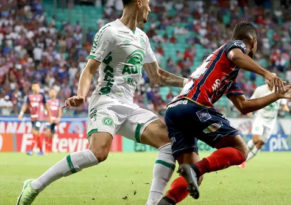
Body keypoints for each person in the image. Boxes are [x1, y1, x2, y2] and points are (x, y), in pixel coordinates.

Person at [17, 0, 186, 205]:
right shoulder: (110, 32)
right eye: (149, 4)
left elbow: (157, 76)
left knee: (169, 140)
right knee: (98, 153)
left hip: (128, 106)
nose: (150, 9)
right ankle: (34, 186)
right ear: (139, 3)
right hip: (105, 101)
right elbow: (89, 69)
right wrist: (81, 94)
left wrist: (190, 83)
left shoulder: (142, 38)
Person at [158, 22, 291, 204]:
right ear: (253, 41)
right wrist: (265, 73)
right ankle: (195, 170)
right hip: (194, 106)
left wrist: (276, 95)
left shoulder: (226, 72)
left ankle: (168, 200)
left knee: (194, 177)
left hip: (174, 111)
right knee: (240, 150)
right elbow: (235, 55)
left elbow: (244, 106)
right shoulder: (236, 45)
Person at [240, 81, 290, 168]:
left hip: (271, 121)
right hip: (260, 118)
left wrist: (286, 108)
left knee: (260, 144)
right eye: (270, 79)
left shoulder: (280, 90)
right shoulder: (260, 90)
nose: (272, 81)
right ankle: (241, 156)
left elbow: (284, 104)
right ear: (267, 80)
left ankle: (243, 162)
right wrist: (249, 110)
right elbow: (251, 100)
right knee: (256, 140)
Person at [18, 83, 52, 155]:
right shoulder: (29, 97)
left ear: (39, 88)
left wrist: (49, 116)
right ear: (32, 88)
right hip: (33, 118)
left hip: (40, 117)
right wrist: (21, 113)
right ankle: (41, 150)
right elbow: (25, 105)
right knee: (37, 134)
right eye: (34, 86)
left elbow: (46, 106)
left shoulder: (42, 96)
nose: (36, 88)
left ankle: (30, 149)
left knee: (34, 132)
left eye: (37, 86)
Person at [44, 88, 62, 153]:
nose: (52, 93)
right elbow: (46, 111)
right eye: (51, 92)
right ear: (49, 94)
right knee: (47, 133)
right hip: (49, 120)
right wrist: (49, 118)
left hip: (55, 120)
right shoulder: (47, 102)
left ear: (56, 93)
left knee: (52, 135)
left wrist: (59, 118)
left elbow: (59, 110)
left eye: (53, 92)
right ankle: (46, 149)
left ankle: (49, 149)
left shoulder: (58, 102)